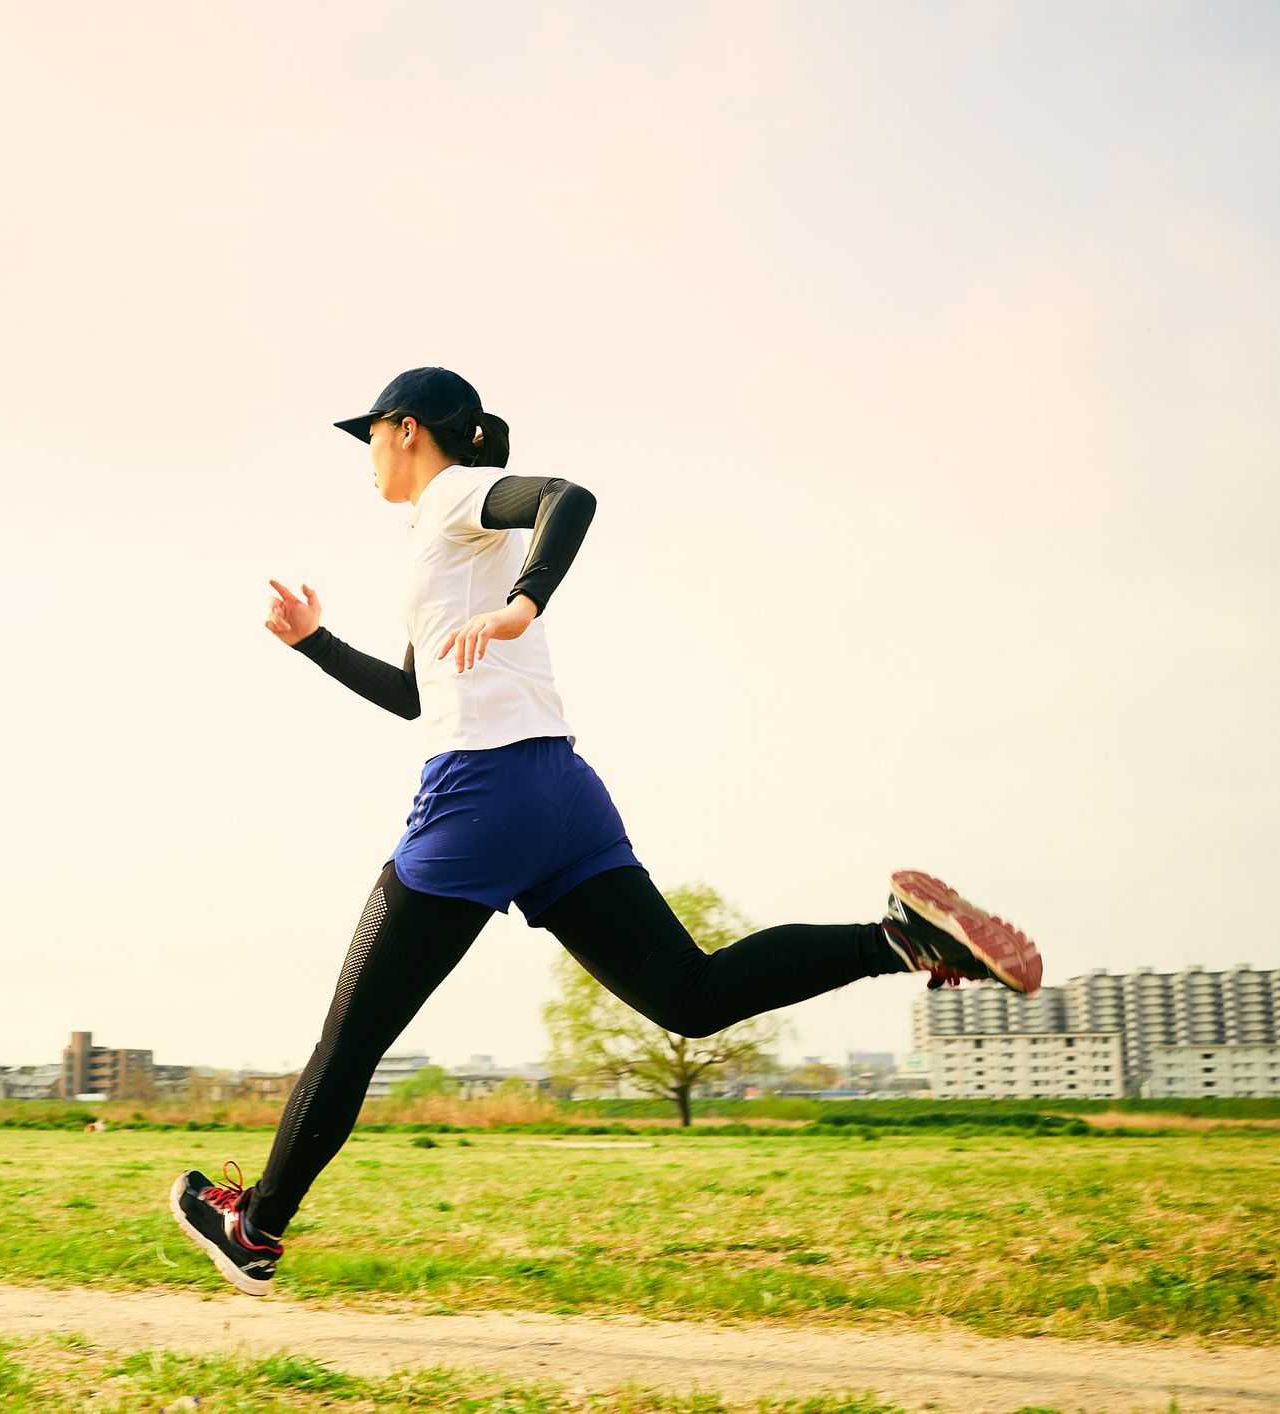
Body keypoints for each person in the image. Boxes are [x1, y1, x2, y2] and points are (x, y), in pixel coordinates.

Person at [166, 366, 1043, 1298]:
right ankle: (900, 939)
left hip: (480, 797)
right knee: (689, 995)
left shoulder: (458, 494)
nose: (366, 456)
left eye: (370, 436)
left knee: (350, 1038)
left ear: (406, 427)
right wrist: (314, 641)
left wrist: (524, 603)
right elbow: (413, 693)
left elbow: (567, 496)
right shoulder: (447, 541)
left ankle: (253, 1227)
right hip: (560, 794)